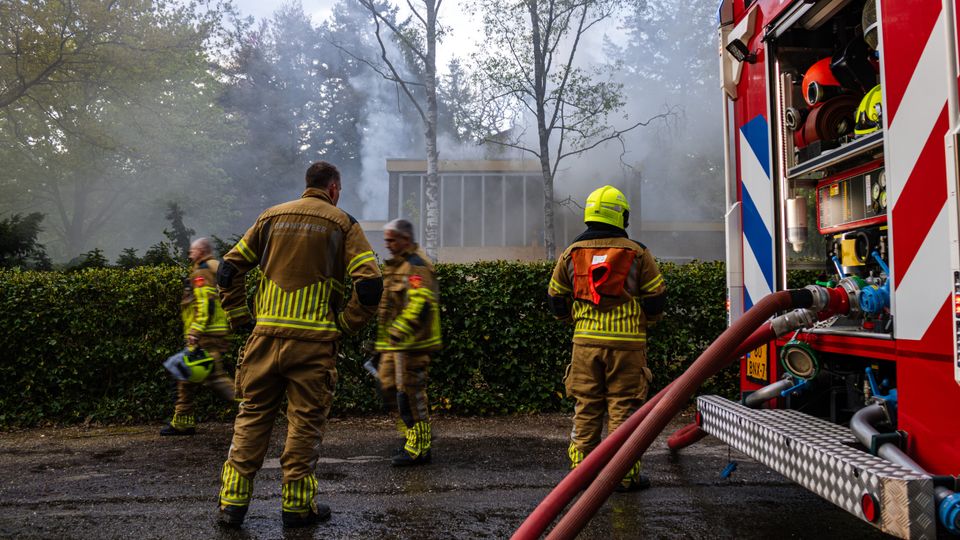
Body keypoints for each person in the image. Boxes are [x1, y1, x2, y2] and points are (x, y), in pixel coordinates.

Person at [215, 161, 382, 528]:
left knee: (251, 418)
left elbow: (228, 269)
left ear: (308, 184)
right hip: (313, 346)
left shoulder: (270, 217)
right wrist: (345, 324)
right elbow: (370, 285)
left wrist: (241, 317)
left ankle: (232, 504)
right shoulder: (343, 223)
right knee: (304, 425)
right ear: (334, 189)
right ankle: (296, 507)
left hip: (264, 340)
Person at [546, 185, 666, 492]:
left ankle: (580, 475)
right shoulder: (638, 253)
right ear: (621, 216)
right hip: (628, 346)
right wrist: (644, 321)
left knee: (586, 407)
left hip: (585, 345)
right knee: (623, 410)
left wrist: (573, 320)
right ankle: (623, 477)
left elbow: (556, 297)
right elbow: (655, 298)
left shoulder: (571, 253)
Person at [376, 219, 442, 466]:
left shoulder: (416, 266)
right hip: (398, 344)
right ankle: (413, 437)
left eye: (391, 240)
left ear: (405, 239)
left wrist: (398, 331)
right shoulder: (400, 264)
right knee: (388, 387)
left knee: (411, 396)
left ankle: (419, 448)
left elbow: (420, 303)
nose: (387, 244)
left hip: (413, 343)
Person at [160, 237, 234, 436]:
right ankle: (182, 421)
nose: (190, 255)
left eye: (192, 251)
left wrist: (195, 332)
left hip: (205, 336)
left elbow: (204, 304)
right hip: (212, 333)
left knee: (215, 379)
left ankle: (254, 407)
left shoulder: (202, 271)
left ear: (201, 251)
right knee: (186, 378)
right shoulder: (214, 268)